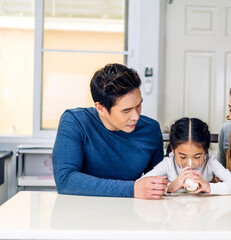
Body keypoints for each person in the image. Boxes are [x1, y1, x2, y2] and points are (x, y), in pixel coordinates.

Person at [52, 63, 168, 199]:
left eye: (138, 105)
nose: (136, 116)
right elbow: (66, 181)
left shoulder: (151, 130)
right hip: (81, 213)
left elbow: (156, 184)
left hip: (130, 213)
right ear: (100, 108)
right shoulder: (75, 122)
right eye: (126, 110)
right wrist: (132, 189)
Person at [143, 117, 231, 195]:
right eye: (183, 157)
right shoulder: (168, 163)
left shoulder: (209, 162)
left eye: (197, 157)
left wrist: (209, 187)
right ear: (173, 150)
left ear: (205, 151)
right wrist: (170, 187)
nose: (190, 164)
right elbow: (142, 183)